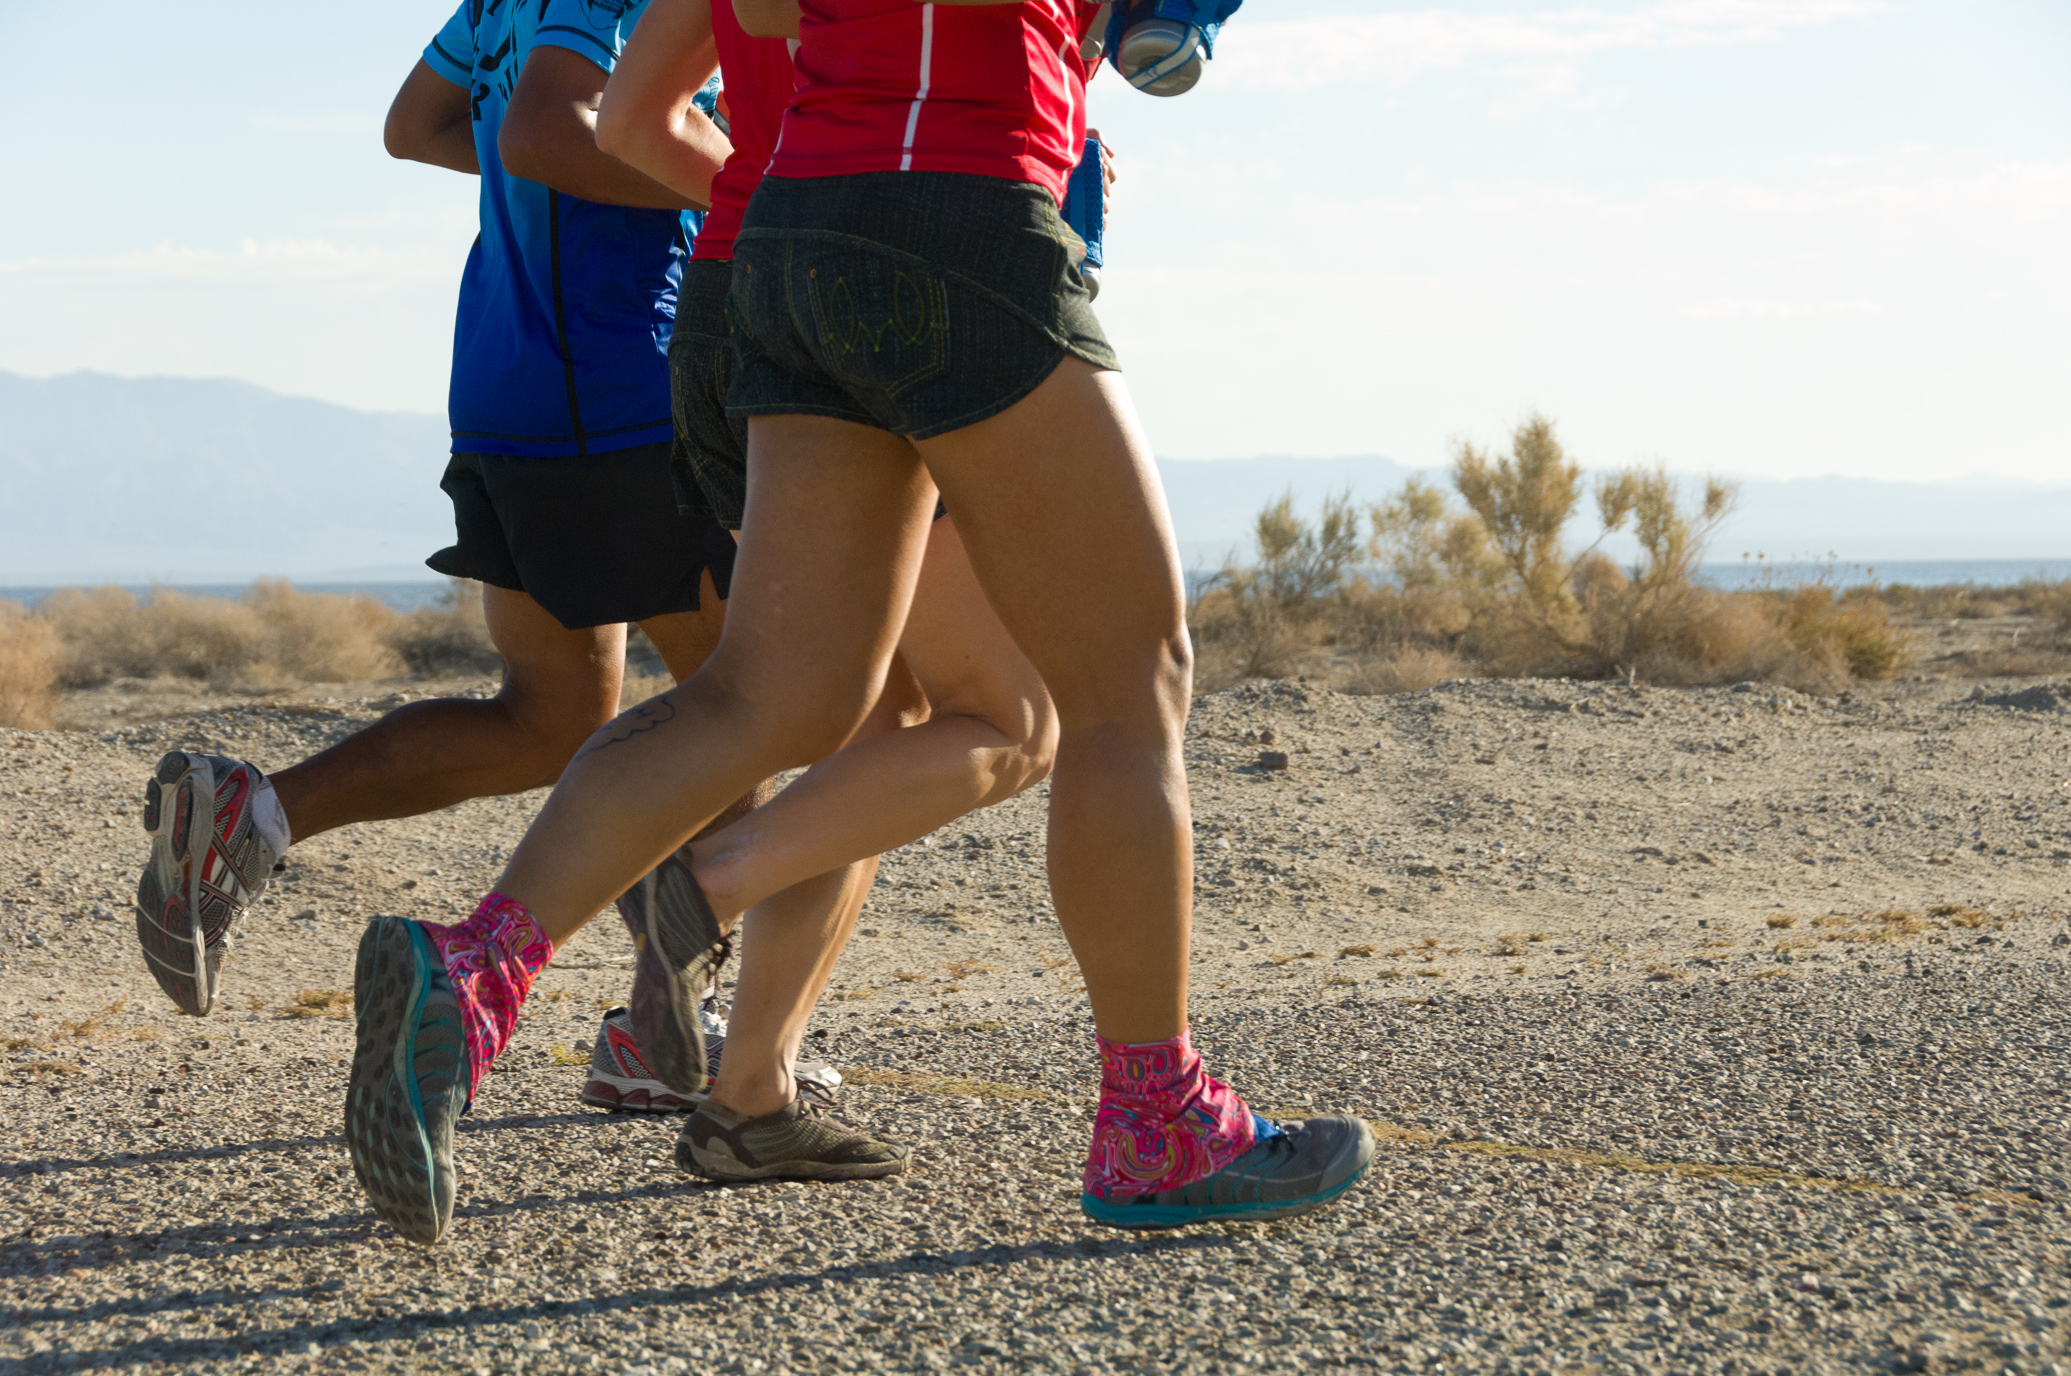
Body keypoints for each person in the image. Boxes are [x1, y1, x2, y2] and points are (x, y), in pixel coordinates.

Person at [344, 0, 1371, 1244]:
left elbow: (686, 75)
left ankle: (477, 969)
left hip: (781, 243)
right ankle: (1155, 1121)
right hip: (957, 210)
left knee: (774, 695)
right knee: (1121, 685)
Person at [131, 0, 746, 1118]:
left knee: (551, 716)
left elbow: (416, 126)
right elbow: (545, 134)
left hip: (508, 390)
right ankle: (662, 1031)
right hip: (625, 390)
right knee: (742, 708)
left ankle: (249, 814)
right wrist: (737, 185)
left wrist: (606, 166)